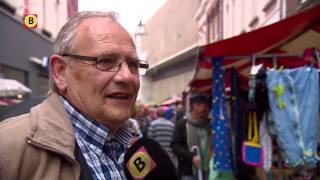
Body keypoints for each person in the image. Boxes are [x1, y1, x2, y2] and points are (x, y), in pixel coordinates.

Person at [0, 11, 148, 180]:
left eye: (133, 64)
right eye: (106, 61)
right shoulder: (8, 149)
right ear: (61, 72)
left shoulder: (139, 150)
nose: (127, 76)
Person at [171, 92, 212, 180]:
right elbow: (175, 146)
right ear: (193, 106)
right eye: (201, 105)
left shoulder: (208, 124)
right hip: (189, 171)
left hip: (207, 169)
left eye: (206, 105)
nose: (205, 109)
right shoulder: (183, 124)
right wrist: (192, 157)